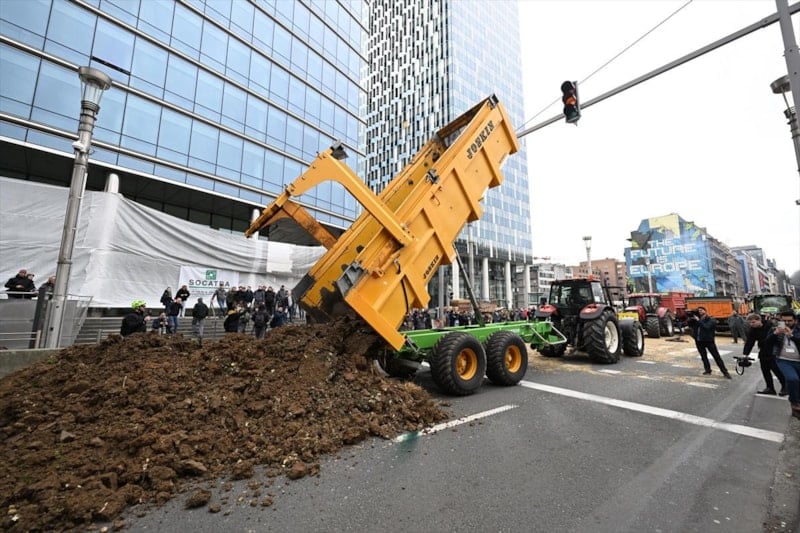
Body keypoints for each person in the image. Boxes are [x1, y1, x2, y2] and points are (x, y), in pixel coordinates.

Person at [765, 311, 800, 419]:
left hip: (798, 360)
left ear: (795, 321)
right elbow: (766, 343)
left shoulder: (798, 330)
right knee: (792, 379)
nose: (787, 323)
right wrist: (774, 334)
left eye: (790, 321)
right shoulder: (775, 329)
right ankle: (794, 403)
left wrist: (792, 336)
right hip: (784, 360)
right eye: (784, 321)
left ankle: (796, 407)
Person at [742, 313, 786, 395]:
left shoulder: (770, 325)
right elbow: (750, 342)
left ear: (759, 320)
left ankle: (785, 387)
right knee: (765, 370)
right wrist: (745, 354)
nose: (752, 324)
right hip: (763, 350)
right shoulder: (753, 330)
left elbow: (780, 336)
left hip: (774, 350)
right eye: (750, 323)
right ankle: (770, 388)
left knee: (776, 370)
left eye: (753, 322)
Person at [687, 307, 731, 379]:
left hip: (709, 341)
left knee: (716, 357)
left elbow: (707, 327)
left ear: (705, 311)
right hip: (699, 341)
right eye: (698, 311)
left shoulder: (711, 319)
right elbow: (690, 325)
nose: (700, 311)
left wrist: (699, 321)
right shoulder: (696, 320)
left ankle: (725, 372)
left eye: (701, 310)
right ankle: (707, 370)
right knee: (703, 357)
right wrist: (690, 318)